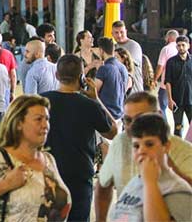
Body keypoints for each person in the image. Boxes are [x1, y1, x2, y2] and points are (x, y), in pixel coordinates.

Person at [0, 95, 71, 221]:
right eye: (38, 119)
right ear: (18, 124)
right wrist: (6, 185)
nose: (45, 125)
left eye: (47, 119)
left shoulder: (48, 159)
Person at [42, 55, 117, 222]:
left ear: (56, 76)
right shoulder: (89, 105)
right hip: (79, 173)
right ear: (82, 77)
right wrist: (96, 99)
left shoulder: (40, 101)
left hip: (47, 172)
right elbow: (113, 131)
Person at [95, 92, 192, 219]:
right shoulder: (121, 142)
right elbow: (102, 186)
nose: (134, 126)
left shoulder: (184, 154)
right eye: (128, 120)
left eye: (150, 144)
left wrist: (165, 171)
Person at [109, 113, 192, 221]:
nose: (141, 151)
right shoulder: (135, 182)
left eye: (149, 144)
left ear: (166, 147)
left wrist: (150, 183)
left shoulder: (178, 190)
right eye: (136, 146)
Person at [95, 36, 129, 121]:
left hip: (106, 115)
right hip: (120, 115)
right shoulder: (123, 68)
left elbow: (94, 91)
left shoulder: (104, 69)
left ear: (101, 50)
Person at [164, 34, 192, 137]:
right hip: (177, 101)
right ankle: (178, 151)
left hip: (190, 100)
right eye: (179, 45)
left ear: (188, 46)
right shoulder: (171, 62)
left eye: (183, 45)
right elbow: (168, 82)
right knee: (178, 127)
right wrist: (170, 99)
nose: (181, 47)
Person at [112, 20, 144, 92]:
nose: (119, 35)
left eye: (121, 32)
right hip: (120, 91)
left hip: (135, 90)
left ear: (126, 31)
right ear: (112, 34)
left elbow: (128, 64)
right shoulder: (113, 47)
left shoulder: (134, 46)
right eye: (116, 33)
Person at [0, 30, 18, 101]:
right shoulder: (8, 54)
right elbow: (13, 76)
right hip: (4, 89)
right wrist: (12, 92)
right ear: (0, 41)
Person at [155, 30, 179, 114]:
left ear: (168, 38)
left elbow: (160, 67)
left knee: (162, 107)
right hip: (178, 84)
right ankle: (179, 126)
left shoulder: (166, 49)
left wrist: (155, 79)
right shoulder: (182, 49)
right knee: (178, 109)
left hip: (165, 84)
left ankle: (164, 126)